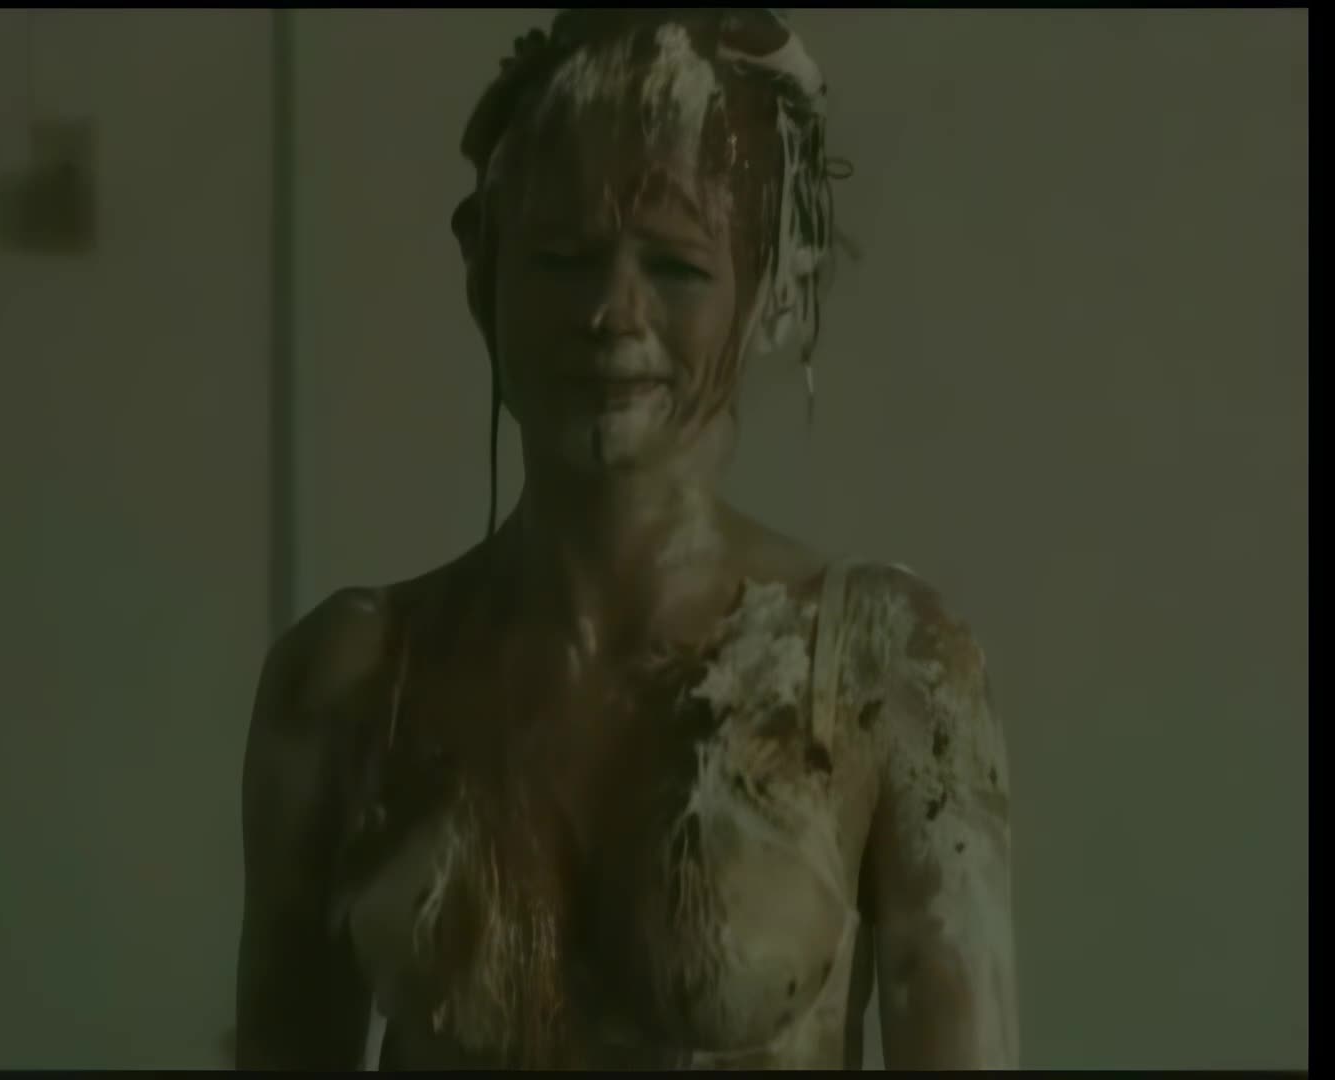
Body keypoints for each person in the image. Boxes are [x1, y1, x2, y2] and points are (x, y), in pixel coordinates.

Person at [235, 10, 1017, 1070]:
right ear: (481, 272)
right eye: (562, 259)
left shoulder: (884, 669)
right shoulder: (353, 681)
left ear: (778, 289)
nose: (612, 311)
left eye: (677, 267)